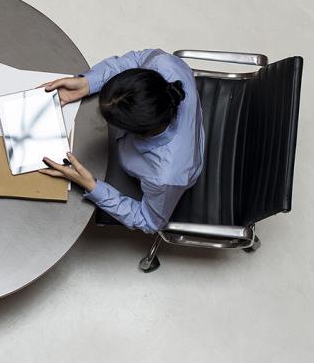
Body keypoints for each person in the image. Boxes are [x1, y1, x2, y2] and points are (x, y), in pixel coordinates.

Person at [39, 49, 204, 233]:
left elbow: (149, 222)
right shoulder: (166, 64)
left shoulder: (164, 177)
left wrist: (91, 185)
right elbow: (137, 59)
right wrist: (88, 82)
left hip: (167, 176)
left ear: (135, 131)